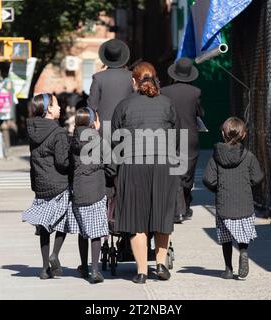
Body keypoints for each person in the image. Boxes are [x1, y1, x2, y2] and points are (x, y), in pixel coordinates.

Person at [111, 62, 180, 284]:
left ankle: (141, 271)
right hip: (163, 164)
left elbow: (115, 141)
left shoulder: (124, 106)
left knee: (136, 219)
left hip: (133, 165)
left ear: (134, 81)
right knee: (161, 214)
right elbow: (176, 136)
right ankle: (160, 264)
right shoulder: (167, 104)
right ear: (155, 78)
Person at [22, 93, 79, 280]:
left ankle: (45, 268)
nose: (60, 108)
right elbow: (62, 162)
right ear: (48, 109)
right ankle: (55, 254)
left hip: (40, 184)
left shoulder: (32, 129)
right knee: (63, 219)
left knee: (44, 226)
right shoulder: (58, 132)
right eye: (56, 105)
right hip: (58, 183)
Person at [203, 117, 264, 280]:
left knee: (225, 238)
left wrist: (217, 188)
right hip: (244, 204)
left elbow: (208, 179)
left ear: (223, 133)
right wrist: (248, 186)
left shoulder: (216, 156)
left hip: (224, 205)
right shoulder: (248, 156)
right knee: (243, 234)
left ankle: (228, 269)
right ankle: (243, 251)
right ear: (243, 135)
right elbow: (258, 177)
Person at [70, 107, 115, 284]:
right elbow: (111, 168)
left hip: (78, 191)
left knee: (83, 231)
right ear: (92, 123)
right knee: (96, 231)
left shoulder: (72, 142)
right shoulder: (100, 141)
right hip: (96, 190)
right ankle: (95, 271)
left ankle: (83, 266)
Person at [161, 57, 204, 223]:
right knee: (188, 171)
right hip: (190, 135)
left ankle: (175, 208)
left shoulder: (164, 91)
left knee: (172, 169)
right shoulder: (195, 93)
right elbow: (200, 113)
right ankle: (184, 207)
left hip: (170, 134)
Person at [87, 38, 133, 133]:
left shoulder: (98, 77)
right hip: (127, 126)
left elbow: (91, 106)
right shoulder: (131, 77)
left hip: (104, 128)